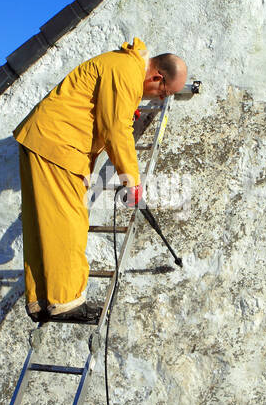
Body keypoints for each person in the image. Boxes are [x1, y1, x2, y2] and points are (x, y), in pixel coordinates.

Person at [14, 38, 187, 323]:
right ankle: (65, 302)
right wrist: (131, 180)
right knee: (68, 221)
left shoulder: (120, 66)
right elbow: (116, 128)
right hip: (59, 145)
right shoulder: (127, 72)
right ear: (157, 76)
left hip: (44, 141)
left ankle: (41, 301)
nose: (159, 99)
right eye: (164, 92)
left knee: (42, 223)